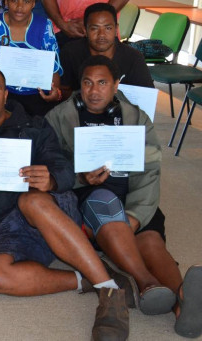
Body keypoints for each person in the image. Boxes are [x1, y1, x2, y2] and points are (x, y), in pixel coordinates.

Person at [0, 64, 132, 340]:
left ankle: (110, 292)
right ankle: (92, 278)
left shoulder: (33, 124)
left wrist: (52, 180)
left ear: (5, 95)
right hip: (4, 228)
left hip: (50, 210)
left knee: (31, 200)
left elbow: (66, 169)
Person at [46, 55, 202, 337]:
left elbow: (150, 169)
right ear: (79, 85)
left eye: (103, 83)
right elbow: (50, 165)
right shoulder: (59, 117)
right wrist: (81, 177)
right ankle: (146, 284)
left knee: (151, 241)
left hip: (133, 196)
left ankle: (182, 305)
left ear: (116, 84)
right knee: (104, 203)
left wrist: (135, 215)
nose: (94, 91)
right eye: (87, 83)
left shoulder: (135, 117)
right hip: (90, 198)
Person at [59, 2, 153, 95]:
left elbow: (146, 98)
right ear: (85, 30)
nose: (101, 35)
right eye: (94, 29)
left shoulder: (134, 58)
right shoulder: (70, 52)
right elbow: (63, 90)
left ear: (116, 30)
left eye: (108, 28)